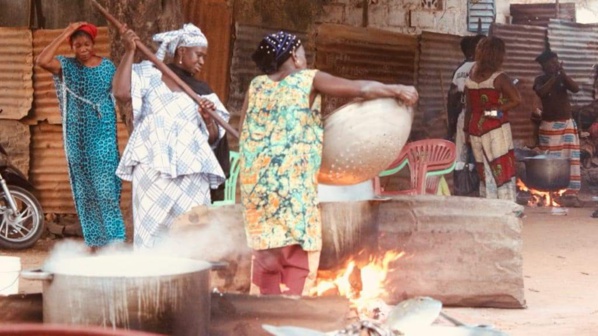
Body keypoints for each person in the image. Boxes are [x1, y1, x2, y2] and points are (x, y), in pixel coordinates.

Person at [239, 31, 419, 295]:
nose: (305, 57)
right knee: (296, 247)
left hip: (256, 183)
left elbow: (244, 127)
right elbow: (362, 89)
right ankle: (290, 308)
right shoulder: (309, 78)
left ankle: (262, 312)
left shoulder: (256, 85)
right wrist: (397, 89)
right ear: (293, 55)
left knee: (267, 250)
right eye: (302, 52)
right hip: (292, 182)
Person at [112, 23, 229, 249]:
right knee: (151, 229)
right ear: (182, 51)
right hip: (152, 166)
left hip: (192, 169)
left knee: (193, 230)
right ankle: (150, 282)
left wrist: (207, 119)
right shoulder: (150, 73)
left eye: (204, 57)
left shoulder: (202, 91)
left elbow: (214, 139)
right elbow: (121, 92)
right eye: (199, 55)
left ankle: (190, 279)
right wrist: (129, 52)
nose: (202, 62)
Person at [36, 22, 126, 248]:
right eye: (77, 45)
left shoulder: (107, 67)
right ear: (72, 46)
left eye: (86, 44)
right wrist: (64, 33)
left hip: (102, 135)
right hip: (77, 139)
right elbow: (42, 61)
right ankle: (95, 242)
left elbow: (122, 93)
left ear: (93, 44)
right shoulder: (66, 66)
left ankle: (115, 243)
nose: (83, 49)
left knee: (106, 190)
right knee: (85, 193)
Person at [464, 36, 521, 201]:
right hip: (495, 127)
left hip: (475, 127)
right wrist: (498, 110)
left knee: (484, 168)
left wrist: (466, 131)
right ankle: (505, 204)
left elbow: (469, 108)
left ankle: (489, 203)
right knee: (501, 166)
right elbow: (517, 100)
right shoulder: (500, 77)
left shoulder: (471, 74)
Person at [533, 50, 581, 206]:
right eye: (551, 63)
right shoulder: (539, 80)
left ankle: (571, 194)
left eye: (556, 62)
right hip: (548, 127)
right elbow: (542, 92)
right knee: (550, 161)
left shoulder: (562, 78)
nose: (554, 65)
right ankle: (549, 193)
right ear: (543, 66)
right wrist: (555, 77)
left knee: (570, 160)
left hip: (566, 125)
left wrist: (563, 74)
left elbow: (576, 88)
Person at [447, 34, 484, 196]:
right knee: (479, 152)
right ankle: (477, 188)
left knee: (461, 155)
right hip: (479, 115)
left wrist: (451, 123)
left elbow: (452, 97)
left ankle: (461, 188)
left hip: (462, 115)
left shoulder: (459, 70)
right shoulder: (483, 68)